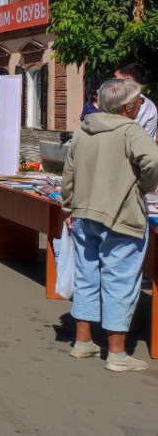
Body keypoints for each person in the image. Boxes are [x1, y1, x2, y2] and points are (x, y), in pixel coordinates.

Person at [62, 78, 158, 371]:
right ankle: (117, 353)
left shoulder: (84, 130)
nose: (140, 105)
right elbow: (153, 162)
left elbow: (69, 174)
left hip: (84, 213)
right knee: (120, 280)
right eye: (138, 101)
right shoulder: (131, 131)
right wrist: (143, 187)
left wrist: (68, 206)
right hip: (120, 215)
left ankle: (83, 342)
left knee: (87, 276)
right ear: (128, 107)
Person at [115, 63, 156, 139]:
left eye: (115, 77)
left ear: (127, 79)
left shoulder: (110, 100)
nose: (112, 80)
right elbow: (150, 139)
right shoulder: (150, 106)